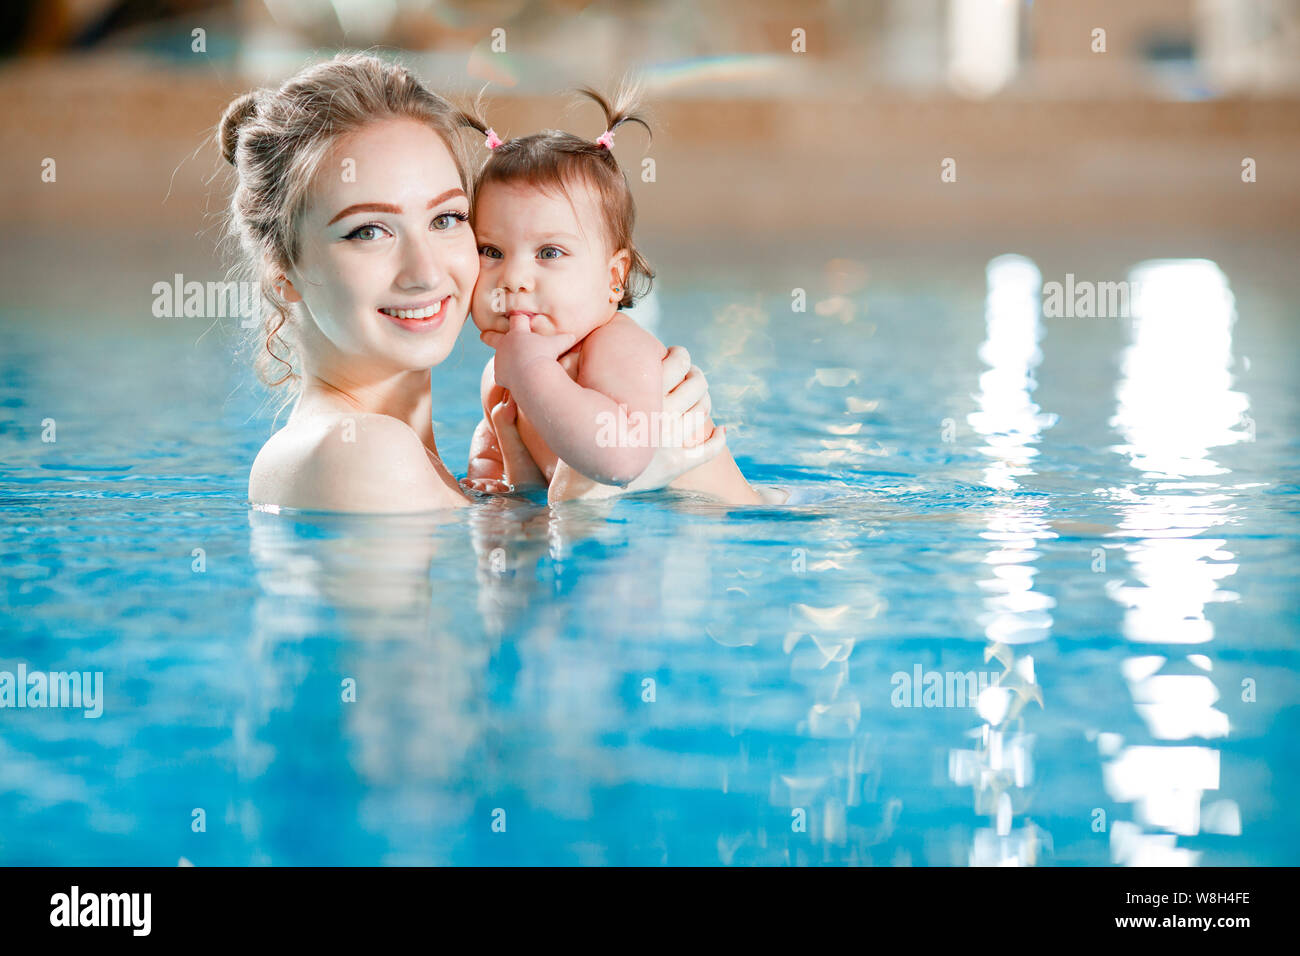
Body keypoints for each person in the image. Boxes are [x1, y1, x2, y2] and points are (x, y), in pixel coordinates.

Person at [216, 53, 727, 512]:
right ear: (283, 276)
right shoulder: (359, 455)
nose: (427, 272)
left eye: (446, 219)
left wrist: (525, 493)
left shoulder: (414, 452)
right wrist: (585, 503)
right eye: (368, 231)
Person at [461, 85, 765, 505]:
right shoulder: (502, 375)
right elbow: (498, 458)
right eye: (491, 251)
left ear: (614, 278)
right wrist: (488, 477)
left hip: (739, 523)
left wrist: (532, 372)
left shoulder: (615, 348)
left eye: (549, 252)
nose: (513, 278)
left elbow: (621, 460)